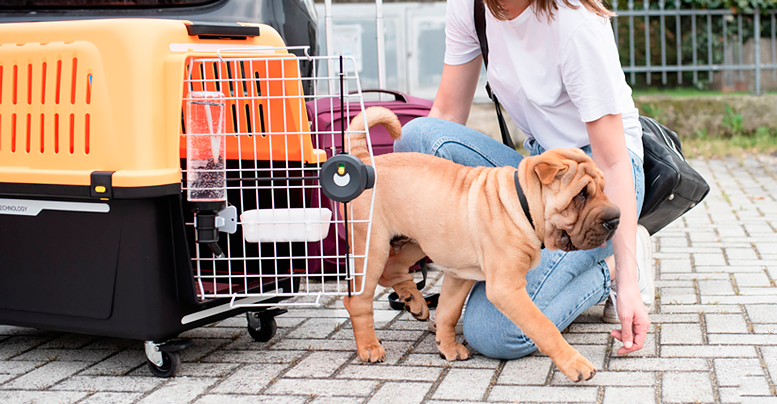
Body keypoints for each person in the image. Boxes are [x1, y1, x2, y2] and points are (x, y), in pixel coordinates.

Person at [394, 0, 654, 358]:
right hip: (539, 174)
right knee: (419, 137)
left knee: (495, 333)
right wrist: (399, 211)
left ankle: (618, 264)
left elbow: (612, 160)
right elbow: (448, 114)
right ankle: (486, 264)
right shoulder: (470, 7)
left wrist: (627, 287)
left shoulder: (576, 24)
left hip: (600, 183)